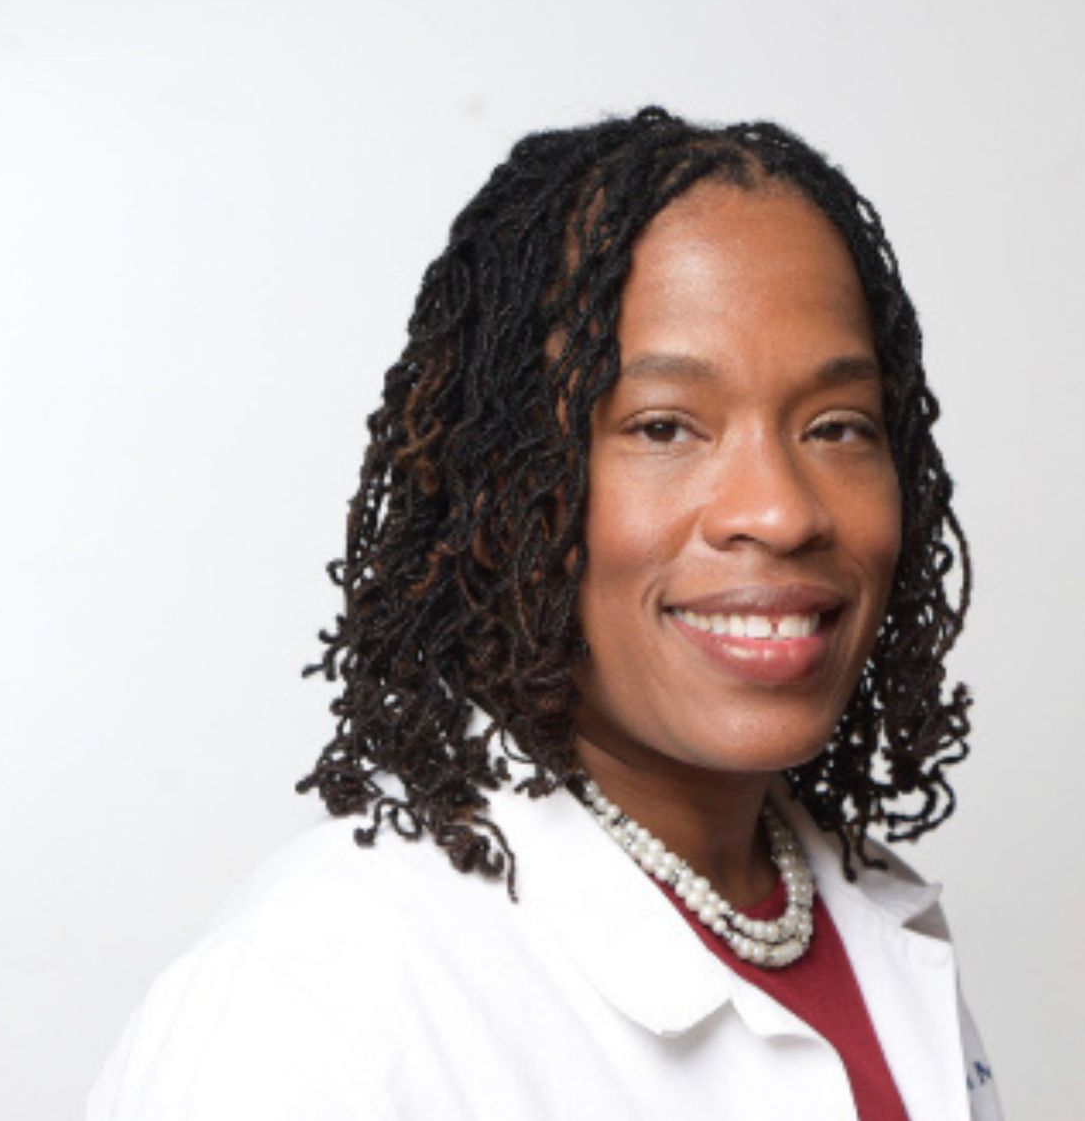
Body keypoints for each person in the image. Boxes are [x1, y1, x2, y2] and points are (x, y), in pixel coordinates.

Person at [89, 107, 1001, 1121]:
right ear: (498, 495)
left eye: (837, 426)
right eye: (663, 427)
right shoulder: (318, 1009)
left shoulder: (870, 917)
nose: (781, 511)